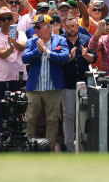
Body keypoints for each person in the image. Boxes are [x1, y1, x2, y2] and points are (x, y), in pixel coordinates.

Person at [22, 15, 69, 150]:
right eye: (34, 26)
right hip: (34, 88)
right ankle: (28, 148)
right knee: (29, 118)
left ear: (48, 27)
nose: (35, 29)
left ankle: (48, 149)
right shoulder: (32, 41)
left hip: (53, 88)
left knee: (52, 120)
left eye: (38, 26)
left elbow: (64, 57)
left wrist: (47, 52)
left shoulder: (60, 40)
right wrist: (38, 50)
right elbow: (24, 58)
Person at [60, 15, 95, 152]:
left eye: (74, 26)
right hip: (67, 84)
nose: (72, 29)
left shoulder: (86, 39)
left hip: (84, 84)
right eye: (69, 26)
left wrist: (87, 56)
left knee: (85, 115)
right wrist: (68, 58)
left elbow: (94, 57)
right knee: (68, 116)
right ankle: (69, 146)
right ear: (64, 27)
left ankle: (84, 146)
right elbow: (57, 62)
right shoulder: (60, 40)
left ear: (78, 25)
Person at [0, 7, 27, 135]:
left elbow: (22, 46)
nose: (6, 21)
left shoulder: (20, 33)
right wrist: (11, 46)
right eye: (3, 19)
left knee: (20, 107)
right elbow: (3, 55)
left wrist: (14, 42)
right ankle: (2, 136)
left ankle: (19, 136)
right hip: (2, 79)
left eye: (9, 18)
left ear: (12, 21)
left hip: (19, 77)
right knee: (3, 109)